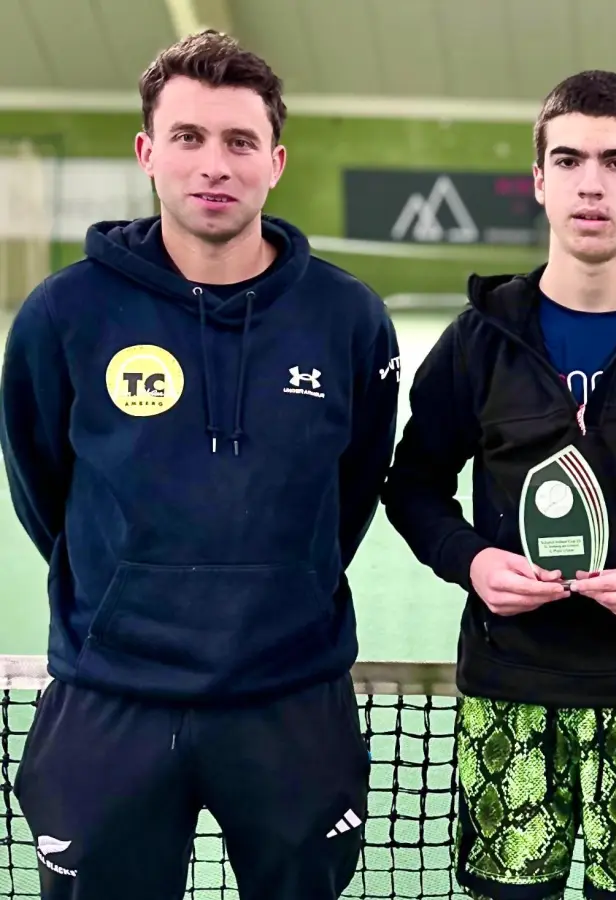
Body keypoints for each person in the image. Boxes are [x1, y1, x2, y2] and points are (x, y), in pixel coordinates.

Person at [0, 30, 400, 900]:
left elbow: (355, 483)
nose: (212, 164)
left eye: (238, 141)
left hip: (292, 698)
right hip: (110, 700)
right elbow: (41, 486)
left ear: (276, 161)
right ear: (147, 152)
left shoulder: (348, 319)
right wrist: (122, 590)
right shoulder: (63, 314)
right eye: (187, 138)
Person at [379, 70, 616, 900]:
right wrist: (471, 562)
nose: (592, 183)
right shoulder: (479, 341)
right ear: (540, 181)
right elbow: (412, 486)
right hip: (510, 693)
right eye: (570, 160)